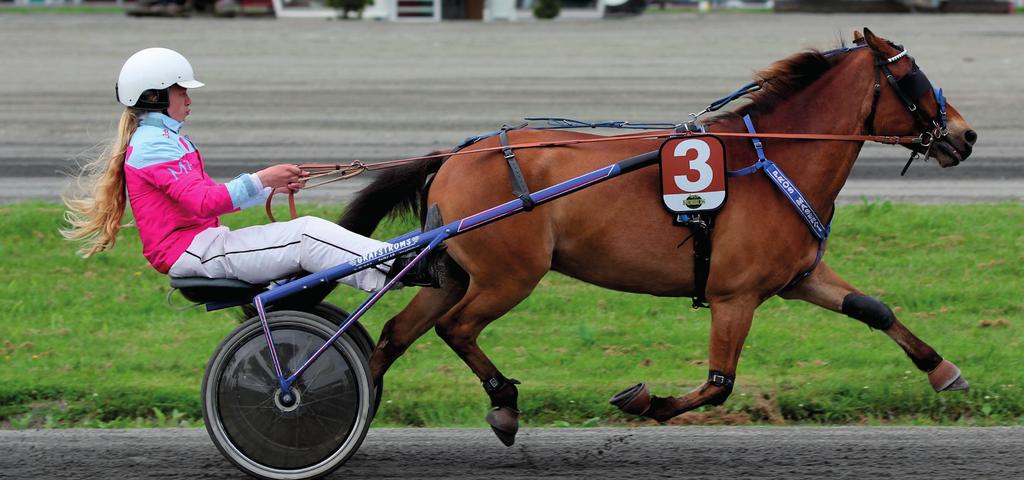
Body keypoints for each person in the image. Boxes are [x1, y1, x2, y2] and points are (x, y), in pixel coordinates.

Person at [62, 47, 432, 291]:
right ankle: (397, 269)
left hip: (201, 246)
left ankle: (393, 263)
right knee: (306, 235)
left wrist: (270, 189)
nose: (188, 99)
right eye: (180, 92)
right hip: (192, 253)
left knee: (306, 233)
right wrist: (262, 179)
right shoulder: (153, 146)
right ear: (154, 96)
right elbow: (205, 203)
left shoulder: (165, 140)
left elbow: (211, 199)